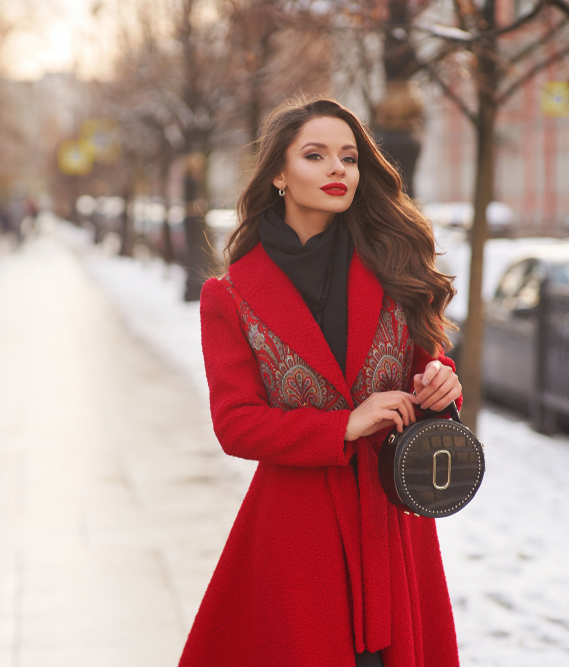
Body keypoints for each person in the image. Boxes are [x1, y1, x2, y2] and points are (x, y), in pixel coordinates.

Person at [179, 97, 462, 667]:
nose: (339, 169)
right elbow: (236, 425)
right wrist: (344, 425)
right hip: (297, 531)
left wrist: (440, 384)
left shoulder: (393, 262)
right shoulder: (229, 296)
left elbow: (427, 364)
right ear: (279, 173)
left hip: (390, 521)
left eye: (349, 157)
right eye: (317, 155)